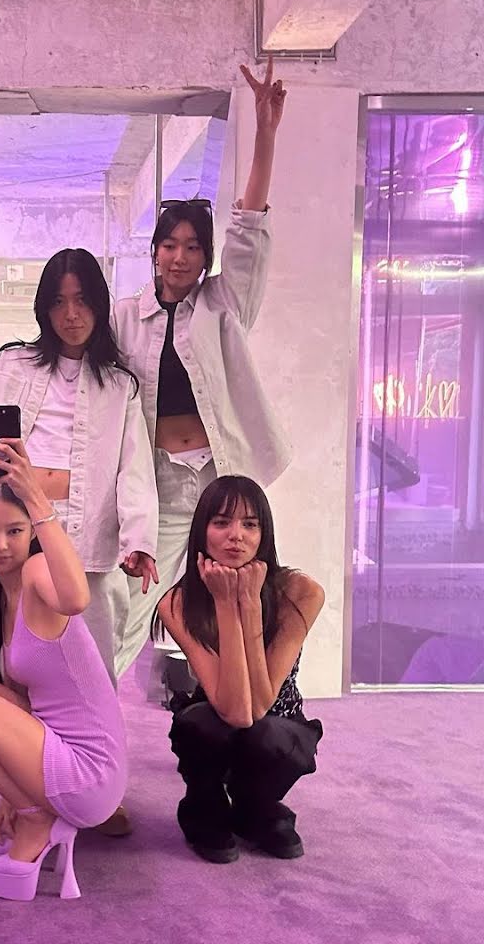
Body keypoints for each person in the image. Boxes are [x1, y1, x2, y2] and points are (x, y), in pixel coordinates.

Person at [113, 60, 291, 678]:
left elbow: (250, 229)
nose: (180, 256)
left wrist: (265, 132)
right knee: (131, 604)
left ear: (205, 256)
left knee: (235, 605)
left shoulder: (223, 304)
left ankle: (240, 706)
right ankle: (94, 708)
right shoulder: (124, 317)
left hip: (220, 477)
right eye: (170, 244)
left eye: (193, 247)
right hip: (160, 482)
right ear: (153, 251)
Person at [0, 248, 158, 686]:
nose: (71, 315)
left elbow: (134, 470)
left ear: (99, 304)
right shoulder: (13, 364)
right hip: (10, 525)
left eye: (82, 300)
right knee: (1, 648)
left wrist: (138, 539)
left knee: (92, 655)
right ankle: (1, 721)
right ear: (44, 308)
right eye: (59, 302)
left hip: (86, 530)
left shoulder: (120, 386)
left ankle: (91, 728)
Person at [0, 440, 127, 902]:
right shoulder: (0, 597)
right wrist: (11, 795)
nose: (0, 545)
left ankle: (39, 821)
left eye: (14, 531)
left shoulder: (37, 570)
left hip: (90, 772)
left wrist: (37, 499)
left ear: (30, 532)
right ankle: (35, 812)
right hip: (55, 750)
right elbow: (23, 709)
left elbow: (76, 599)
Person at [156, 475, 324, 864]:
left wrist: (249, 601)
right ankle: (204, 806)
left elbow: (260, 707)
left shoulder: (301, 592)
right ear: (203, 532)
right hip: (218, 712)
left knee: (268, 735)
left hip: (278, 720)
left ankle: (255, 808)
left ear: (264, 535)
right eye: (221, 522)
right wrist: (225, 602)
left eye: (250, 524)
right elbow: (235, 712)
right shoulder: (178, 602)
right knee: (200, 724)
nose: (236, 535)